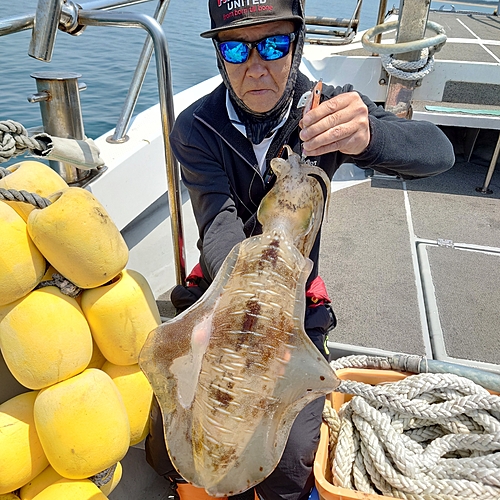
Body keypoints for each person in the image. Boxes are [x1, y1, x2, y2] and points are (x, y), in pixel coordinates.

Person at [145, 1, 455, 499]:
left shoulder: (327, 111)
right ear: (220, 56)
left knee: (289, 468)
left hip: (294, 301)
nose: (256, 65)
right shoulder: (197, 128)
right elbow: (217, 223)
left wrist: (370, 136)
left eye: (273, 44)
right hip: (222, 289)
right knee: (164, 446)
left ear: (297, 42)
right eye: (236, 48)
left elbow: (438, 153)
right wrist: (245, 299)